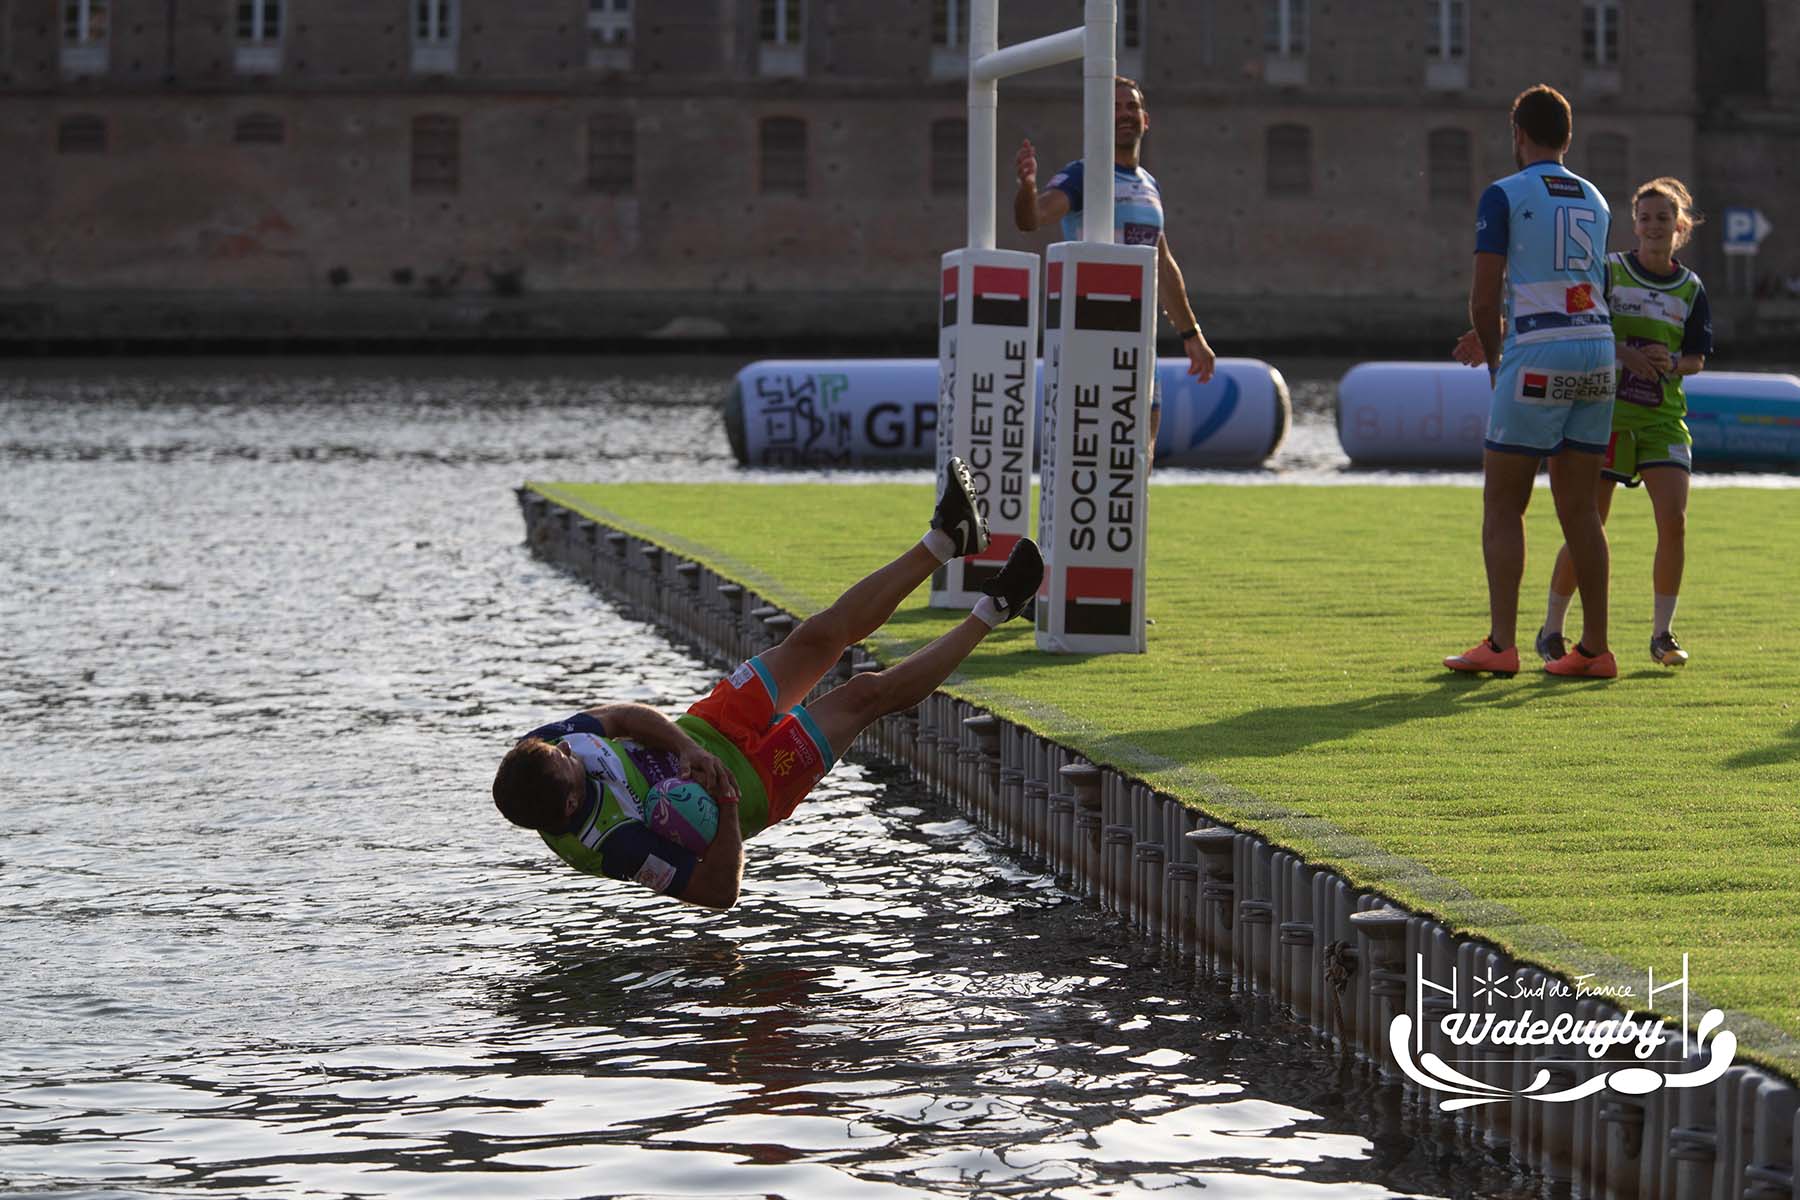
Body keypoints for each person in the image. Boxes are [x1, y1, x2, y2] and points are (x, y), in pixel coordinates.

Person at [491, 457, 1045, 910]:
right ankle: (996, 608)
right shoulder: (612, 845)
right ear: (569, 805)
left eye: (559, 744)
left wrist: (686, 747)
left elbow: (621, 718)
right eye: (568, 759)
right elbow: (717, 894)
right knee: (864, 694)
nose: (570, 746)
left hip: (708, 723)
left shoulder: (542, 749)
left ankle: (949, 538)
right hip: (755, 785)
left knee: (820, 636)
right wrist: (727, 804)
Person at [1444, 84, 1618, 680]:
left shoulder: (1503, 194)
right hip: (1598, 350)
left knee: (1504, 503)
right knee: (1580, 509)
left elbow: (1482, 296)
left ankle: (1501, 643)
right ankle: (1595, 649)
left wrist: (1497, 362)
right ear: (1567, 136)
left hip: (1537, 355)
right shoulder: (1596, 199)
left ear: (1516, 134)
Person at [1536, 177, 1712, 668]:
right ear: (1633, 225)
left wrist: (1671, 363)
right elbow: (1580, 320)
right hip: (1605, 416)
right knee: (1590, 523)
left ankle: (1662, 635)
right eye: (1645, 218)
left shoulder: (1692, 288)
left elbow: (1696, 357)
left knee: (1673, 523)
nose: (1654, 226)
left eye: (1663, 219)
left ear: (1680, 228)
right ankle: (1552, 628)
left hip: (1663, 421)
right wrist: (1622, 354)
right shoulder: (1610, 272)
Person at [1012, 75, 1217, 467]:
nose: (1124, 114)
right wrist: (1026, 186)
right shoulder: (1083, 176)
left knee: (1142, 451)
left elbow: (1161, 261)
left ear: (1145, 120)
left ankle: (1130, 529)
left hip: (1140, 338)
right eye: (1115, 108)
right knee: (1092, 452)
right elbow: (1032, 218)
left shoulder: (1149, 185)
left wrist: (1191, 334)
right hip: (1091, 334)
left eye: (1131, 107)